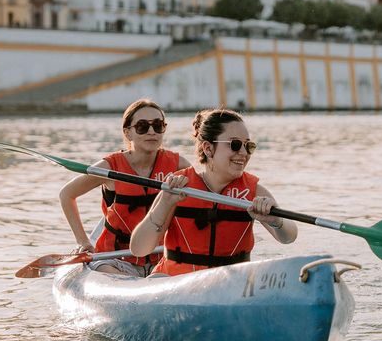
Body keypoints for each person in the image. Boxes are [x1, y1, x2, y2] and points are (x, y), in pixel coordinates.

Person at [129, 107, 297, 276]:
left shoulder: (254, 192)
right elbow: (138, 249)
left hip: (230, 284)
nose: (244, 153)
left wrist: (276, 221)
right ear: (208, 149)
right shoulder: (177, 187)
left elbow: (289, 237)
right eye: (235, 145)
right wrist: (164, 204)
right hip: (177, 282)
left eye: (249, 146)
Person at [59, 98, 190, 276]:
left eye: (158, 125)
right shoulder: (109, 167)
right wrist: (83, 241)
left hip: (161, 258)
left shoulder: (179, 165)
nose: (152, 131)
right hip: (116, 259)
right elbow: (67, 194)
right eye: (143, 126)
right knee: (111, 272)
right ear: (128, 133)